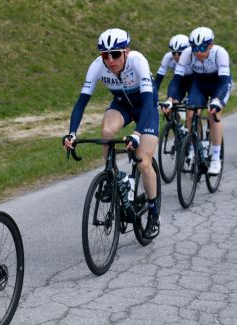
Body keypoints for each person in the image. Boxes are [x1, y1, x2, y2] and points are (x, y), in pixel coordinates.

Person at [63, 28, 160, 239]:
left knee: (143, 162)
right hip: (122, 104)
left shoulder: (138, 62)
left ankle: (153, 212)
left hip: (146, 107)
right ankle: (115, 177)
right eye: (104, 55)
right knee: (107, 130)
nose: (110, 60)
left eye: (115, 54)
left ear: (126, 51)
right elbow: (81, 102)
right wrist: (71, 133)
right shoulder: (98, 67)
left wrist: (136, 133)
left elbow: (146, 103)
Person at [162, 27, 232, 175]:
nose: (198, 52)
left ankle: (215, 158)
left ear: (211, 45)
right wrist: (170, 99)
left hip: (218, 84)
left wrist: (217, 101)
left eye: (202, 48)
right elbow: (177, 80)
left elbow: (225, 82)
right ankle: (194, 147)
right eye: (195, 48)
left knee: (214, 115)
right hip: (199, 83)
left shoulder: (220, 53)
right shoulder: (187, 53)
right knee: (190, 114)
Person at [154, 34, 193, 103]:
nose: (177, 56)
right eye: (174, 53)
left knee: (193, 103)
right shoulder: (168, 57)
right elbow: (158, 79)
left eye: (180, 53)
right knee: (172, 102)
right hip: (178, 80)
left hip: (194, 81)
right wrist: (153, 94)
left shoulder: (193, 56)